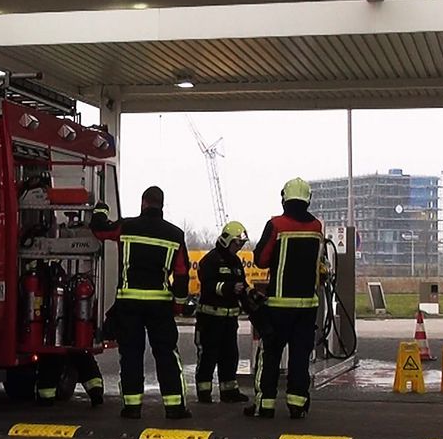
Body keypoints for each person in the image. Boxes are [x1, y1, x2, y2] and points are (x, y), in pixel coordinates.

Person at [91, 186, 191, 420]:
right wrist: (178, 303)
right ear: (161, 205)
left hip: (129, 302)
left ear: (143, 203)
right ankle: (175, 407)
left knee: (131, 354)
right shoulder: (175, 234)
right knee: (166, 353)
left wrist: (101, 210)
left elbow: (99, 231)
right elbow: (182, 273)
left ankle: (132, 407)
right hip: (160, 304)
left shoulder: (126, 227)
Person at [245, 178, 325, 419]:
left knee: (270, 355)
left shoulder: (276, 224)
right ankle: (297, 404)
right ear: (307, 198)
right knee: (300, 357)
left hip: (278, 305)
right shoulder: (316, 227)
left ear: (285, 198)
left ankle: (265, 405)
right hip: (308, 306)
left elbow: (261, 260)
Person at [194, 221, 251, 404]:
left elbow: (242, 285)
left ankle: (229, 391)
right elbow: (208, 285)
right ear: (227, 240)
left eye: (241, 245)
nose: (239, 248)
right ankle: (204, 392)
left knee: (230, 355)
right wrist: (229, 288)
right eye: (237, 243)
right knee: (208, 356)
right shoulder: (210, 260)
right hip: (210, 319)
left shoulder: (235, 262)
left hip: (229, 320)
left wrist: (251, 295)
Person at [35, 352, 104, 407]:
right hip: (77, 346)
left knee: (50, 364)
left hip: (53, 350)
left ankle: (46, 399)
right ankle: (96, 392)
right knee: (84, 360)